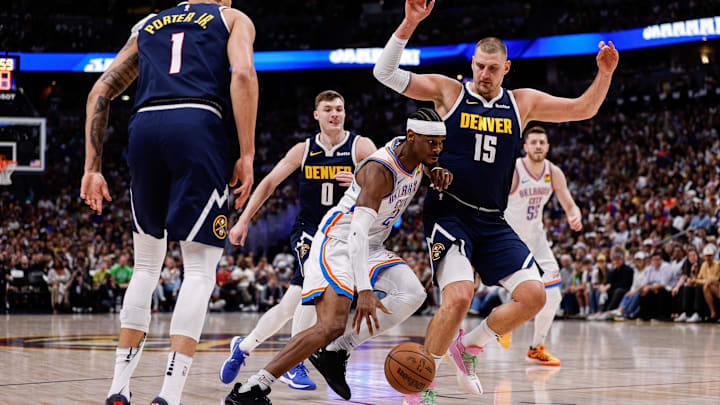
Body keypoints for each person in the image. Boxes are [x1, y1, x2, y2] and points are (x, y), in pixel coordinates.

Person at [373, 0, 618, 401]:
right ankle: (422, 386)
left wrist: (604, 73)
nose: (484, 74)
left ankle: (469, 345)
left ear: (506, 68)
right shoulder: (448, 92)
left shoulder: (522, 102)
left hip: (492, 219)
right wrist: (409, 21)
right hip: (449, 212)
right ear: (472, 64)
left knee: (535, 297)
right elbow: (384, 73)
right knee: (458, 297)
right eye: (479, 66)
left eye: (492, 68)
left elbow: (584, 109)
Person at [80, 2, 258, 405]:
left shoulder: (147, 23)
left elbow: (101, 90)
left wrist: (93, 166)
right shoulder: (231, 18)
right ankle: (169, 394)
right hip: (197, 123)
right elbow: (244, 74)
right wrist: (246, 153)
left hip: (144, 127)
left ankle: (118, 387)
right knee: (198, 270)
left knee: (145, 265)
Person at [223, 108, 449, 404]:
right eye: (432, 143)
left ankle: (337, 350)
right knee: (329, 324)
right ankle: (253, 388)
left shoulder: (417, 155)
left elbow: (420, 161)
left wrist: (435, 170)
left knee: (412, 294)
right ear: (412, 137)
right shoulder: (380, 171)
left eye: (440, 143)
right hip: (339, 242)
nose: (438, 149)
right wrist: (365, 289)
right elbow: (355, 234)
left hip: (371, 244)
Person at [219, 90, 376, 390]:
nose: (335, 114)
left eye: (340, 109)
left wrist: (362, 179)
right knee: (311, 290)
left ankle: (244, 345)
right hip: (308, 232)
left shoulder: (361, 147)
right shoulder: (303, 150)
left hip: (342, 236)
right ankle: (295, 363)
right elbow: (269, 183)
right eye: (328, 109)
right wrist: (242, 220)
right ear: (316, 115)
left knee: (290, 305)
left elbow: (388, 180)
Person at [500, 126, 583, 366]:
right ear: (525, 147)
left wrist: (574, 216)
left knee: (554, 296)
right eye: (533, 142)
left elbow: (569, 203)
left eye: (542, 142)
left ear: (547, 147)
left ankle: (536, 347)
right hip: (510, 239)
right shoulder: (514, 169)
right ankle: (501, 322)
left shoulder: (553, 172)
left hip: (537, 239)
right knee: (524, 293)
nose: (538, 146)